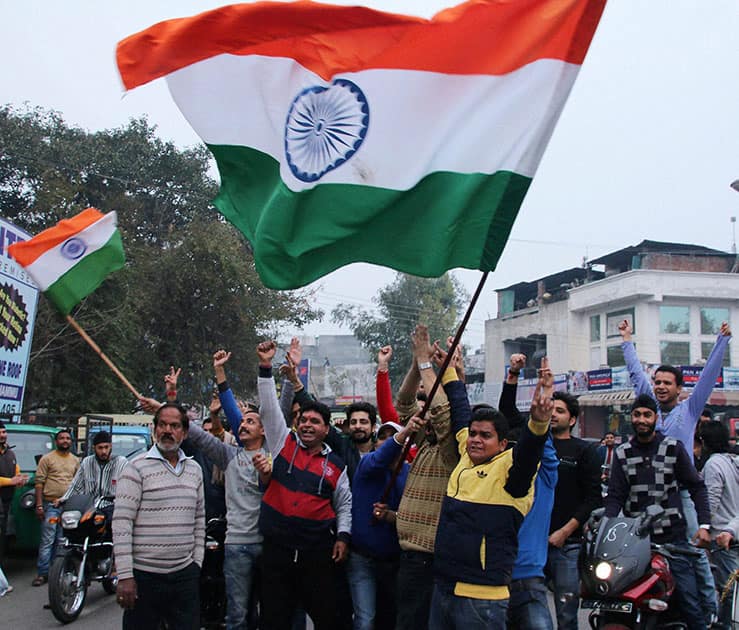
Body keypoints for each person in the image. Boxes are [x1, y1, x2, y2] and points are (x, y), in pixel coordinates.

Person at [428, 356, 554, 630]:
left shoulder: (511, 471)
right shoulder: (465, 457)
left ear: (502, 444)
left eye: (485, 436)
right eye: (474, 433)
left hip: (481, 597)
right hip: (444, 587)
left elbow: (529, 453)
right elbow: (461, 411)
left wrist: (539, 424)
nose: (475, 439)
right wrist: (448, 370)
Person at [619, 319, 731, 624]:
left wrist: (721, 342)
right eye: (657, 382)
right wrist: (627, 340)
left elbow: (708, 376)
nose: (660, 386)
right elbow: (634, 374)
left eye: (667, 383)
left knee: (694, 552)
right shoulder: (649, 408)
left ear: (679, 389)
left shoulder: (690, 408)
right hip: (645, 494)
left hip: (681, 493)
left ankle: (708, 613)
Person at [254, 340, 351, 630]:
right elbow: (270, 408)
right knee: (273, 620)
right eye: (303, 419)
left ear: (326, 428)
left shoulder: (336, 464)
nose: (307, 424)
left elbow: (344, 504)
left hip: (317, 556)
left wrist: (343, 537)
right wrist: (265, 367)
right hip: (276, 552)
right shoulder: (283, 445)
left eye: (315, 421)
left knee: (328, 618)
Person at [605, 394, 712, 630]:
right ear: (630, 418)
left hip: (673, 543)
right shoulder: (622, 453)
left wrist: (704, 526)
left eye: (646, 414)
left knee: (690, 603)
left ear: (656, 418)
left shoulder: (673, 448)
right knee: (613, 602)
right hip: (635, 544)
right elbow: (615, 497)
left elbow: (696, 486)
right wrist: (605, 527)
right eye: (637, 414)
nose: (641, 419)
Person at [113, 402, 205, 630]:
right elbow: (122, 522)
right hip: (144, 577)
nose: (167, 431)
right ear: (154, 429)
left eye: (174, 426)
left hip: (184, 576)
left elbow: (199, 519)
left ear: (184, 432)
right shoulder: (136, 468)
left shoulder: (194, 470)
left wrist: (197, 562)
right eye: (162, 424)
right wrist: (125, 575)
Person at [394, 326, 458, 630]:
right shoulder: (426, 442)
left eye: (431, 407)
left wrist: (426, 364)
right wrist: (416, 364)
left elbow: (445, 412)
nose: (428, 415)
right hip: (410, 556)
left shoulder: (452, 449)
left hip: (430, 560)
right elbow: (404, 402)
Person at [499, 354, 559, 630]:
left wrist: (545, 392)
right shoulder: (493, 476)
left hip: (529, 580)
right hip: (491, 580)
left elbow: (540, 433)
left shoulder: (545, 475)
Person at [347, 419, 414, 630]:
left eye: (391, 437)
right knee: (365, 620)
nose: (386, 442)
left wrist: (391, 516)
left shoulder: (411, 473)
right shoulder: (367, 465)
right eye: (382, 437)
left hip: (394, 560)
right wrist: (405, 433)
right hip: (362, 558)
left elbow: (410, 515)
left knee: (392, 617)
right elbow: (382, 457)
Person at [546, 391, 602, 629]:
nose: (553, 414)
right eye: (550, 409)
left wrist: (564, 532)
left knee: (566, 612)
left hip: (567, 544)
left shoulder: (584, 451)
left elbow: (592, 498)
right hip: (531, 542)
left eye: (559, 411)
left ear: (572, 419)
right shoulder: (534, 445)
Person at [699, 421, 739, 630]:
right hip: (734, 532)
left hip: (722, 538)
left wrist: (702, 527)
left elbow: (710, 503)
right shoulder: (733, 461)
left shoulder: (713, 464)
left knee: (728, 591)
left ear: (704, 442)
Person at [32, 429, 79, 586]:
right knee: (47, 540)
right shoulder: (47, 459)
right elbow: (39, 482)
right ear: (56, 441)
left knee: (62, 540)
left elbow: (78, 483)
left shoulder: (75, 460)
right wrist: (39, 505)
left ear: (71, 442)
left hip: (68, 506)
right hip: (51, 505)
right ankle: (43, 573)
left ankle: (56, 571)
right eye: (61, 438)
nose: (65, 441)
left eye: (67, 438)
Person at [60, 430, 128, 519]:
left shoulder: (121, 462)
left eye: (106, 447)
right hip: (89, 507)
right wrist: (63, 499)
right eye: (100, 448)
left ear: (111, 447)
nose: (104, 451)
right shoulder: (87, 462)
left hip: (112, 506)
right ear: (94, 448)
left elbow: (128, 487)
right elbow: (76, 485)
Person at [0, 421, 27, 563]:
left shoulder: (10, 453)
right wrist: (11, 481)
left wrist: (20, 478)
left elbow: (16, 471)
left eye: (3, 432)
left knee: (3, 538)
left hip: (6, 503)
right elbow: (11, 480)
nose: (2, 435)